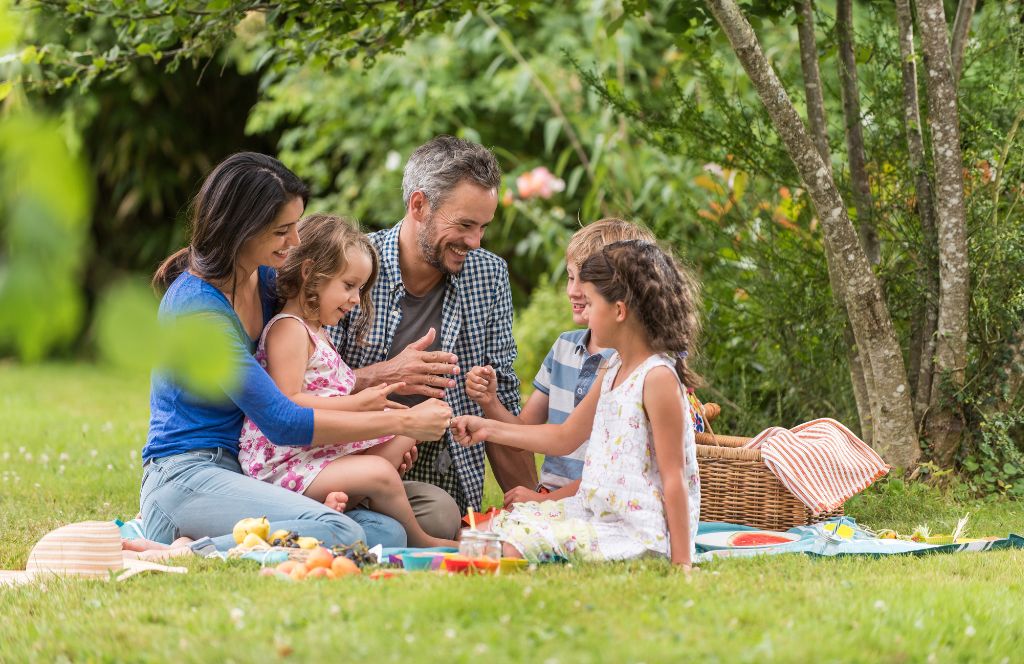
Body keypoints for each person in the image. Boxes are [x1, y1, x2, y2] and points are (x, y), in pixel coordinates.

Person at [138, 152, 452, 555]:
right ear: (241, 229)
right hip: (186, 476)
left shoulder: (265, 282)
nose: (296, 242)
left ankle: (265, 529)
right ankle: (186, 550)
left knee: (388, 534)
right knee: (340, 533)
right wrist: (405, 420)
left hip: (245, 472)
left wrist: (384, 378)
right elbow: (282, 420)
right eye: (282, 230)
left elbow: (312, 378)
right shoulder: (197, 309)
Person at [328, 136, 535, 538]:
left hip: (437, 478)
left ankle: (347, 525)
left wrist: (531, 505)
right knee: (428, 520)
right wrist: (388, 373)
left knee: (440, 514)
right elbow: (303, 389)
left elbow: (503, 402)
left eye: (483, 227)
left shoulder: (488, 276)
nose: (475, 242)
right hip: (343, 461)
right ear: (419, 205)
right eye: (464, 225)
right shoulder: (350, 267)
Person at [452, 240, 702, 569]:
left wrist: (682, 562)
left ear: (618, 311)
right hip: (595, 511)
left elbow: (674, 477)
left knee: (501, 550)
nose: (585, 311)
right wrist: (486, 427)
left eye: (592, 302)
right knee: (479, 535)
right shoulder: (614, 368)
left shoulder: (656, 378)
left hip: (636, 532)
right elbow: (564, 436)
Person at [237, 214, 457, 548]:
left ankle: (339, 503)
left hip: (314, 455)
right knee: (381, 471)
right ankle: (421, 539)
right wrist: (357, 404)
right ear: (310, 273)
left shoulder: (317, 332)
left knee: (405, 432)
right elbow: (287, 403)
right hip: (284, 464)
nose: (356, 299)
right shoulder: (288, 330)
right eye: (349, 286)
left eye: (360, 288)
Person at [464, 218, 656, 507]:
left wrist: (547, 502)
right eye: (570, 277)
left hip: (597, 500)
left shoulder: (629, 365)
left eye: (585, 281)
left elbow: (611, 472)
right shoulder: (565, 348)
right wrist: (490, 402)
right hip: (552, 497)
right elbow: (525, 433)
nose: (574, 291)